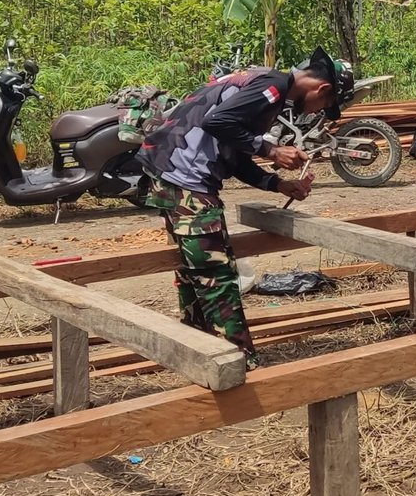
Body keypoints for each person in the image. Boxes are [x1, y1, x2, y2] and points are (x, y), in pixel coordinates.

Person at [137, 47, 347, 369]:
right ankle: (236, 363)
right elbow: (217, 122)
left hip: (169, 172)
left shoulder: (262, 81)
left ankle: (197, 348)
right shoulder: (274, 87)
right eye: (325, 106)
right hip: (186, 179)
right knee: (216, 274)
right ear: (323, 90)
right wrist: (271, 150)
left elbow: (233, 152)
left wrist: (276, 184)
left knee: (194, 271)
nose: (317, 111)